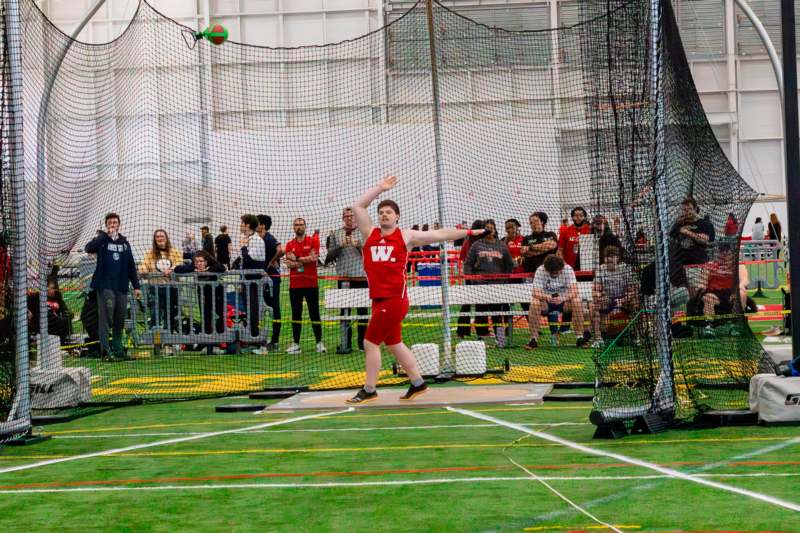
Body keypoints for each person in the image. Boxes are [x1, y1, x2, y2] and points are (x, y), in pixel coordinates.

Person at [347, 176, 484, 403]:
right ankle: (418, 383)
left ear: (397, 217)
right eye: (381, 212)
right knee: (393, 343)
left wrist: (468, 233)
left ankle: (369, 389)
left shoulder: (406, 236)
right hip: (378, 299)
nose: (384, 215)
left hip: (394, 299)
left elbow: (440, 235)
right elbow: (358, 206)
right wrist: (380, 188)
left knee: (370, 342)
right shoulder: (369, 233)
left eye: (389, 212)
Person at [85, 212, 141, 360]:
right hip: (105, 285)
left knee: (119, 319)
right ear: (106, 225)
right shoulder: (101, 241)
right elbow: (88, 248)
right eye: (110, 223)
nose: (112, 225)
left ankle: (118, 350)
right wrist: (104, 235)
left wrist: (136, 286)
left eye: (115, 222)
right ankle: (105, 351)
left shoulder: (124, 243)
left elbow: (131, 265)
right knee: (106, 318)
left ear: (119, 225)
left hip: (121, 286)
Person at [464, 219, 514, 347]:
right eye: (486, 228)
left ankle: (500, 339)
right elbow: (468, 263)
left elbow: (509, 264)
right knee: (481, 312)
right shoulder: (476, 245)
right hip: (480, 284)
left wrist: (505, 279)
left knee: (497, 312)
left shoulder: (502, 245)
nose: (489, 231)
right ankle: (481, 338)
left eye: (491, 228)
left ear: (495, 230)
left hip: (497, 285)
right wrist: (471, 279)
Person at [525, 254, 591, 349]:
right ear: (547, 269)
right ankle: (533, 339)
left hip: (564, 303)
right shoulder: (540, 270)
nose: (554, 275)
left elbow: (575, 291)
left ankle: (579, 338)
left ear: (561, 268)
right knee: (534, 303)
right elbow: (535, 292)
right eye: (552, 273)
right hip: (546, 303)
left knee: (577, 301)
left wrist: (563, 298)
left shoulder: (568, 269)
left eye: (556, 272)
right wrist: (547, 297)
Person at [326, 207, 368, 354]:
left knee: (363, 311)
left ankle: (363, 343)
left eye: (352, 216)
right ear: (343, 218)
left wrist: (358, 245)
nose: (349, 218)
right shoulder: (336, 233)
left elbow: (370, 254)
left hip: (361, 276)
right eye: (346, 216)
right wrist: (340, 246)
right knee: (344, 311)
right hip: (343, 277)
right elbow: (329, 257)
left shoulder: (364, 232)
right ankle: (346, 343)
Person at [284, 217, 325, 354]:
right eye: (296, 225)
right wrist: (302, 261)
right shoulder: (289, 244)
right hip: (295, 285)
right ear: (293, 227)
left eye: (301, 224)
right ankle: (296, 344)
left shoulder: (313, 241)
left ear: (305, 226)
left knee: (315, 313)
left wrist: (297, 259)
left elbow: (313, 258)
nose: (299, 227)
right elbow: (288, 263)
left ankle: (319, 343)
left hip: (311, 284)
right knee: (296, 314)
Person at [695, 245, 749, 337]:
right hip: (715, 294)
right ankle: (709, 326)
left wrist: (739, 288)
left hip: (731, 293)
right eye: (721, 252)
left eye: (726, 253)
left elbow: (745, 280)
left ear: (731, 254)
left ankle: (735, 325)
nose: (724, 255)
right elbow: (702, 282)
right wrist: (701, 286)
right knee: (708, 297)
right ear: (717, 253)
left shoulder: (738, 265)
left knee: (741, 292)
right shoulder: (710, 266)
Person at [589, 246, 636, 346]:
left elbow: (632, 291)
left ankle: (634, 336)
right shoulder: (601, 269)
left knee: (636, 303)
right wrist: (600, 296)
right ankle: (598, 338)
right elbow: (595, 291)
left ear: (617, 258)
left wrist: (624, 299)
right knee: (593, 306)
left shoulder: (625, 268)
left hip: (623, 300)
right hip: (607, 300)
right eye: (607, 258)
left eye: (612, 258)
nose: (609, 260)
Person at [139, 229, 182, 335]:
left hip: (172, 288)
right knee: (156, 313)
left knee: (171, 314)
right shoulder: (150, 254)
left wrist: (171, 269)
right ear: (155, 239)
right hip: (155, 288)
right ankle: (156, 338)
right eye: (157, 237)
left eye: (162, 236)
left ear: (166, 238)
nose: (160, 238)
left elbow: (180, 264)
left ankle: (169, 338)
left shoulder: (174, 252)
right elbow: (143, 266)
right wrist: (143, 271)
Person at [174, 250, 226, 339]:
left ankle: (222, 337)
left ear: (206, 261)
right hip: (203, 295)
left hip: (217, 294)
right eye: (197, 261)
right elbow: (178, 269)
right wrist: (193, 269)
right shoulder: (193, 266)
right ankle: (208, 339)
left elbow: (222, 268)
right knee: (205, 316)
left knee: (219, 315)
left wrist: (207, 270)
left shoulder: (214, 264)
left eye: (201, 261)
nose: (199, 263)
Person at [668, 197, 715, 290]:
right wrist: (677, 225)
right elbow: (671, 237)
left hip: (696, 264)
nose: (687, 212)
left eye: (690, 209)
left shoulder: (704, 224)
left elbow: (704, 239)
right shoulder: (679, 224)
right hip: (679, 265)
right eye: (685, 210)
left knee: (695, 290)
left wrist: (686, 232)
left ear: (695, 209)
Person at [456, 220, 486, 338]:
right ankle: (481, 331)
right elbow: (466, 259)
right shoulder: (474, 242)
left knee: (471, 303)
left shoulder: (469, 241)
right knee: (479, 303)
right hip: (475, 275)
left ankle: (463, 331)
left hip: (473, 275)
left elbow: (463, 258)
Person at [257, 215, 282, 352]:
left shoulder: (269, 238)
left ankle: (275, 340)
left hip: (272, 278)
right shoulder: (257, 238)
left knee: (274, 307)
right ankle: (260, 339)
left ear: (263, 225)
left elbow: (280, 250)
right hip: (261, 278)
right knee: (261, 307)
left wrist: (272, 262)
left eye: (257, 223)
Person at [239, 214, 266, 340]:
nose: (240, 225)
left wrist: (243, 247)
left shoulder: (256, 240)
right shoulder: (247, 239)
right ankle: (250, 336)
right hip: (246, 280)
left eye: (242, 223)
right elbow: (243, 262)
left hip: (253, 281)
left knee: (253, 309)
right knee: (248, 309)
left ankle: (255, 338)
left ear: (248, 225)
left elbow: (249, 261)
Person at [520, 212, 558, 279]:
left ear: (542, 222)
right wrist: (545, 249)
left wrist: (531, 247)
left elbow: (552, 245)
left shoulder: (550, 234)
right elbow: (525, 253)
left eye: (536, 221)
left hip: (549, 271)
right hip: (531, 272)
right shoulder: (526, 238)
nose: (533, 224)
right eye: (531, 223)